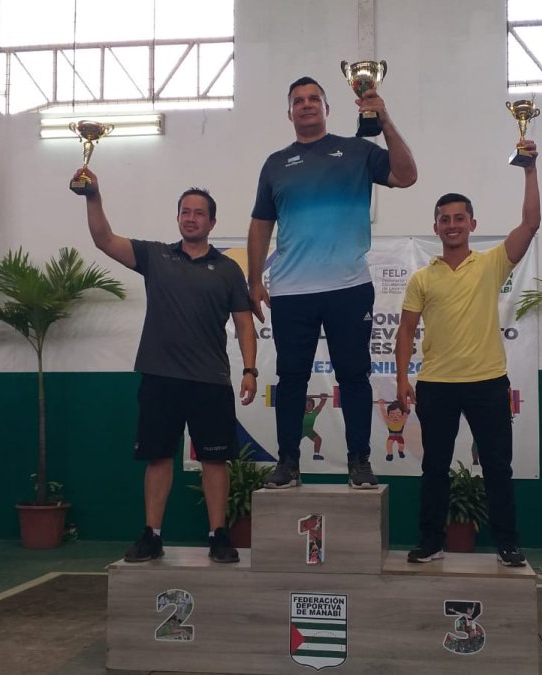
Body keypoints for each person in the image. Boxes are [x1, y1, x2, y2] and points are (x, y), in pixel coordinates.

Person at [79, 168, 258, 564]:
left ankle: (219, 536)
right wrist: (93, 196)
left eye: (199, 213)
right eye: (185, 212)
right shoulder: (155, 256)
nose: (191, 218)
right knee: (159, 457)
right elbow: (103, 239)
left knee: (215, 460)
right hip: (160, 378)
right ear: (178, 217)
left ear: (212, 222)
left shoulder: (228, 269)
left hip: (210, 381)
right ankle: (152, 535)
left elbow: (245, 322)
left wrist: (250, 369)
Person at [248, 75, 418, 490]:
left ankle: (359, 461)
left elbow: (407, 175)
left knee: (355, 378)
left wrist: (385, 116)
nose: (306, 105)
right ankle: (288, 463)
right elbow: (259, 227)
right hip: (290, 292)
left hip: (349, 287)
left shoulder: (359, 151)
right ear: (289, 112)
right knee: (291, 380)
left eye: (314, 99)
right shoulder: (274, 164)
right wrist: (254, 280)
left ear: (328, 108)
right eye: (298, 101)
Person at [394, 141, 540, 567]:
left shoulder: (493, 263)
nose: (452, 225)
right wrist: (403, 379)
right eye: (445, 220)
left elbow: (530, 224)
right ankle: (430, 541)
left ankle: (508, 544)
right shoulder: (422, 277)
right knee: (433, 469)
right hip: (436, 385)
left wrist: (530, 170)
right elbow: (405, 332)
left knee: (497, 467)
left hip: (487, 382)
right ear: (436, 227)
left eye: (460, 218)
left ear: (472, 224)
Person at [302, 392, 330, 461]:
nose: (306, 407)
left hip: (309, 431)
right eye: (304, 405)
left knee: (318, 440)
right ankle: (289, 455)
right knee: (293, 442)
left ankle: (316, 455)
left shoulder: (313, 414)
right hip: (300, 431)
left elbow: (320, 406)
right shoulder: (297, 414)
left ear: (312, 408)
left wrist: (323, 399)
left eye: (309, 405)